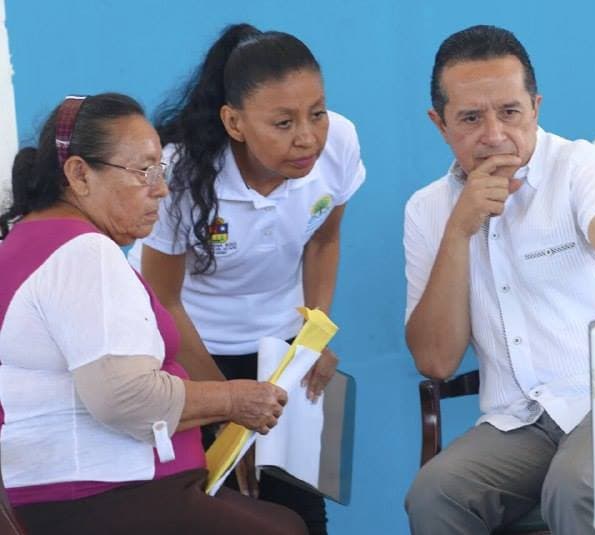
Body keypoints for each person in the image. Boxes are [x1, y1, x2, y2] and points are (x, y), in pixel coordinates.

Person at [403, 25, 595, 535]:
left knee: (574, 485)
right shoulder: (427, 210)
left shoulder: (582, 163)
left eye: (510, 112)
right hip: (521, 420)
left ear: (535, 106)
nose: (493, 134)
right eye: (469, 117)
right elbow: (436, 360)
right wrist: (459, 230)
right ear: (439, 124)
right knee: (435, 493)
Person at [0, 93, 307, 535]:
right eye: (144, 171)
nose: (161, 188)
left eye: (160, 170)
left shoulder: (28, 241)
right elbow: (124, 397)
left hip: (75, 495)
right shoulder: (85, 253)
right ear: (80, 174)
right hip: (100, 495)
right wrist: (234, 399)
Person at [129, 24, 365, 535]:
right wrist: (227, 403)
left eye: (317, 113)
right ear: (234, 122)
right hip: (189, 351)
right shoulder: (180, 173)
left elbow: (324, 241)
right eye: (283, 122)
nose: (308, 137)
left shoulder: (339, 142)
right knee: (220, 507)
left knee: (300, 508)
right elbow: (163, 299)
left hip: (280, 348)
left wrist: (314, 336)